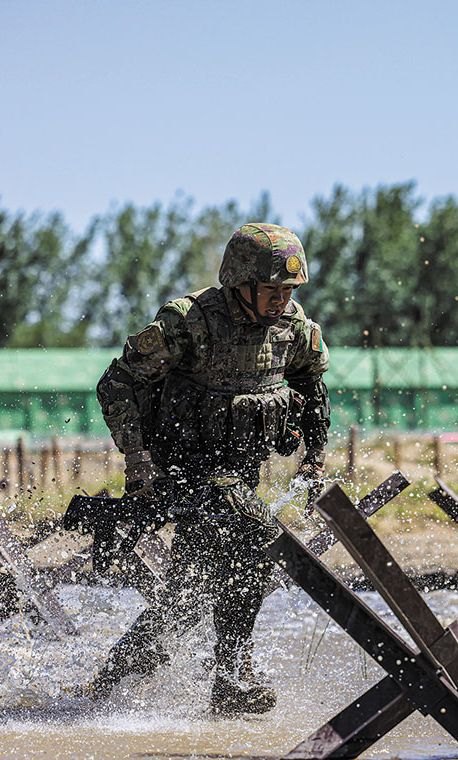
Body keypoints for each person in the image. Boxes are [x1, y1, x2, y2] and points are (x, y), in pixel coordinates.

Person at [85, 223, 330, 714]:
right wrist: (138, 462)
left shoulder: (294, 328)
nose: (280, 300)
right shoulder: (187, 322)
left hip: (241, 472)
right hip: (182, 473)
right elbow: (115, 384)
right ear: (238, 281)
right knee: (260, 540)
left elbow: (312, 389)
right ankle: (232, 677)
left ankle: (107, 687)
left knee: (189, 597)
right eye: (271, 290)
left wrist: (314, 461)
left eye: (288, 290)